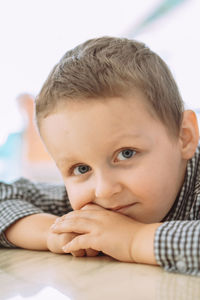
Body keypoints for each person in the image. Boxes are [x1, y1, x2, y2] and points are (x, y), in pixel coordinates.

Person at [0, 36, 200, 276]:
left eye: (126, 154)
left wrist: (134, 240)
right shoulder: (98, 205)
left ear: (184, 137)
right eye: (81, 169)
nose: (104, 190)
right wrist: (52, 232)